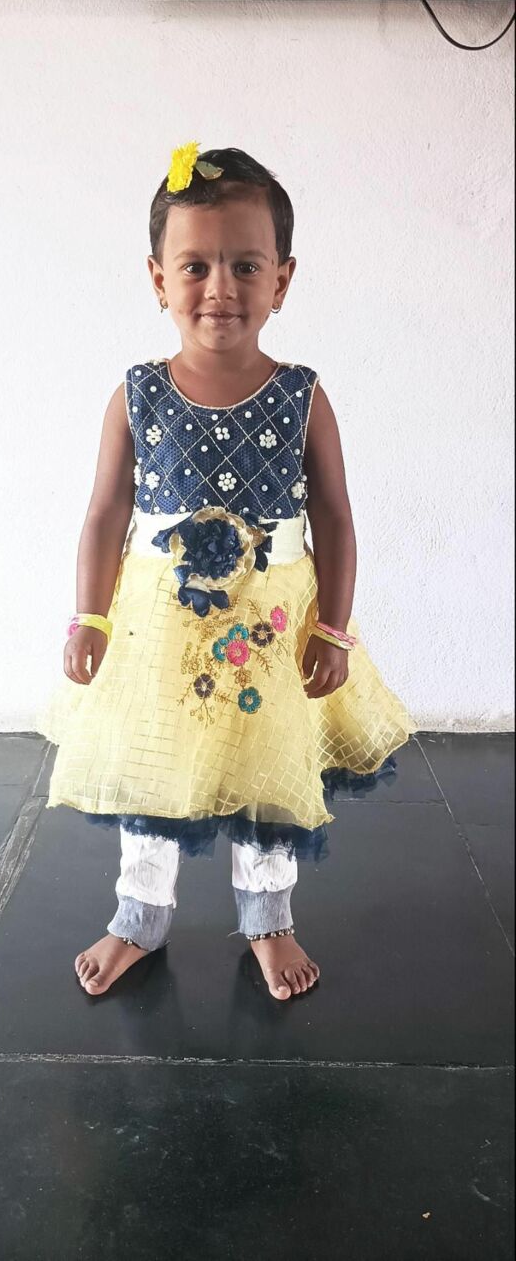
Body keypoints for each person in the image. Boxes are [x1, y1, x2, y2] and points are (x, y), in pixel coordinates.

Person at [37, 142, 417, 1002]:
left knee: (264, 769)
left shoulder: (304, 395)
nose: (220, 288)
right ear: (158, 278)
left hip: (270, 626)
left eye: (246, 265)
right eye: (195, 266)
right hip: (158, 625)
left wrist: (333, 629)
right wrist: (89, 616)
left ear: (282, 279)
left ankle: (268, 917)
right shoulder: (136, 394)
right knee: (153, 764)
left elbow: (335, 518)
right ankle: (139, 914)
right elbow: (104, 514)